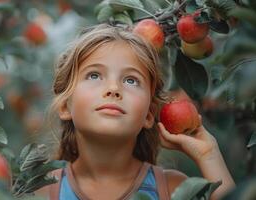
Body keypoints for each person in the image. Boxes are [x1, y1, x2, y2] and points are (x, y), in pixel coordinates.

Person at [37, 23, 235, 200]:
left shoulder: (172, 188)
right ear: (65, 106)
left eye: (131, 80)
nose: (113, 88)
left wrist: (208, 155)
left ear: (148, 115)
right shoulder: (42, 191)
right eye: (94, 75)